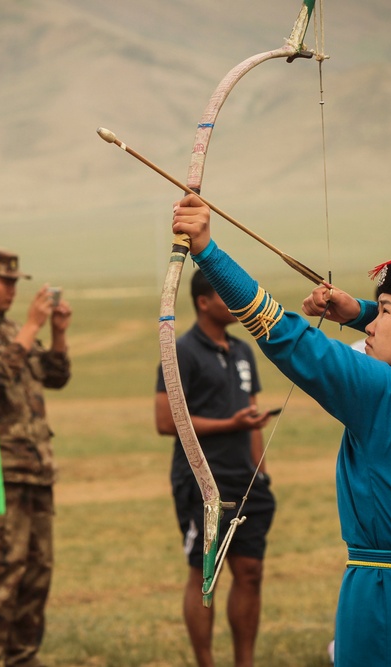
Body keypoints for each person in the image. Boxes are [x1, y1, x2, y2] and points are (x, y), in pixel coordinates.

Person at [171, 193, 391, 667]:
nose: (372, 325)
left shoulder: (389, 394)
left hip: (386, 599)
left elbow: (288, 336)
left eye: (385, 312)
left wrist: (208, 251)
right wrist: (363, 311)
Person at [155, 269, 277, 667]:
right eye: (224, 295)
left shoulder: (242, 350)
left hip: (246, 480)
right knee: (205, 572)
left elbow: (252, 415)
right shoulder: (181, 351)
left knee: (251, 571)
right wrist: (231, 425)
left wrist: (261, 472)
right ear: (204, 302)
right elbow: (165, 421)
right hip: (202, 480)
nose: (234, 302)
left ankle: (245, 662)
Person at [0, 247, 71, 667]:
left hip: (36, 471)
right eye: (4, 281)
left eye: (16, 282)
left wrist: (59, 332)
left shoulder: (14, 328)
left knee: (36, 576)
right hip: (0, 477)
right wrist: (31, 326)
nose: (12, 290)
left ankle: (23, 657)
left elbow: (56, 376)